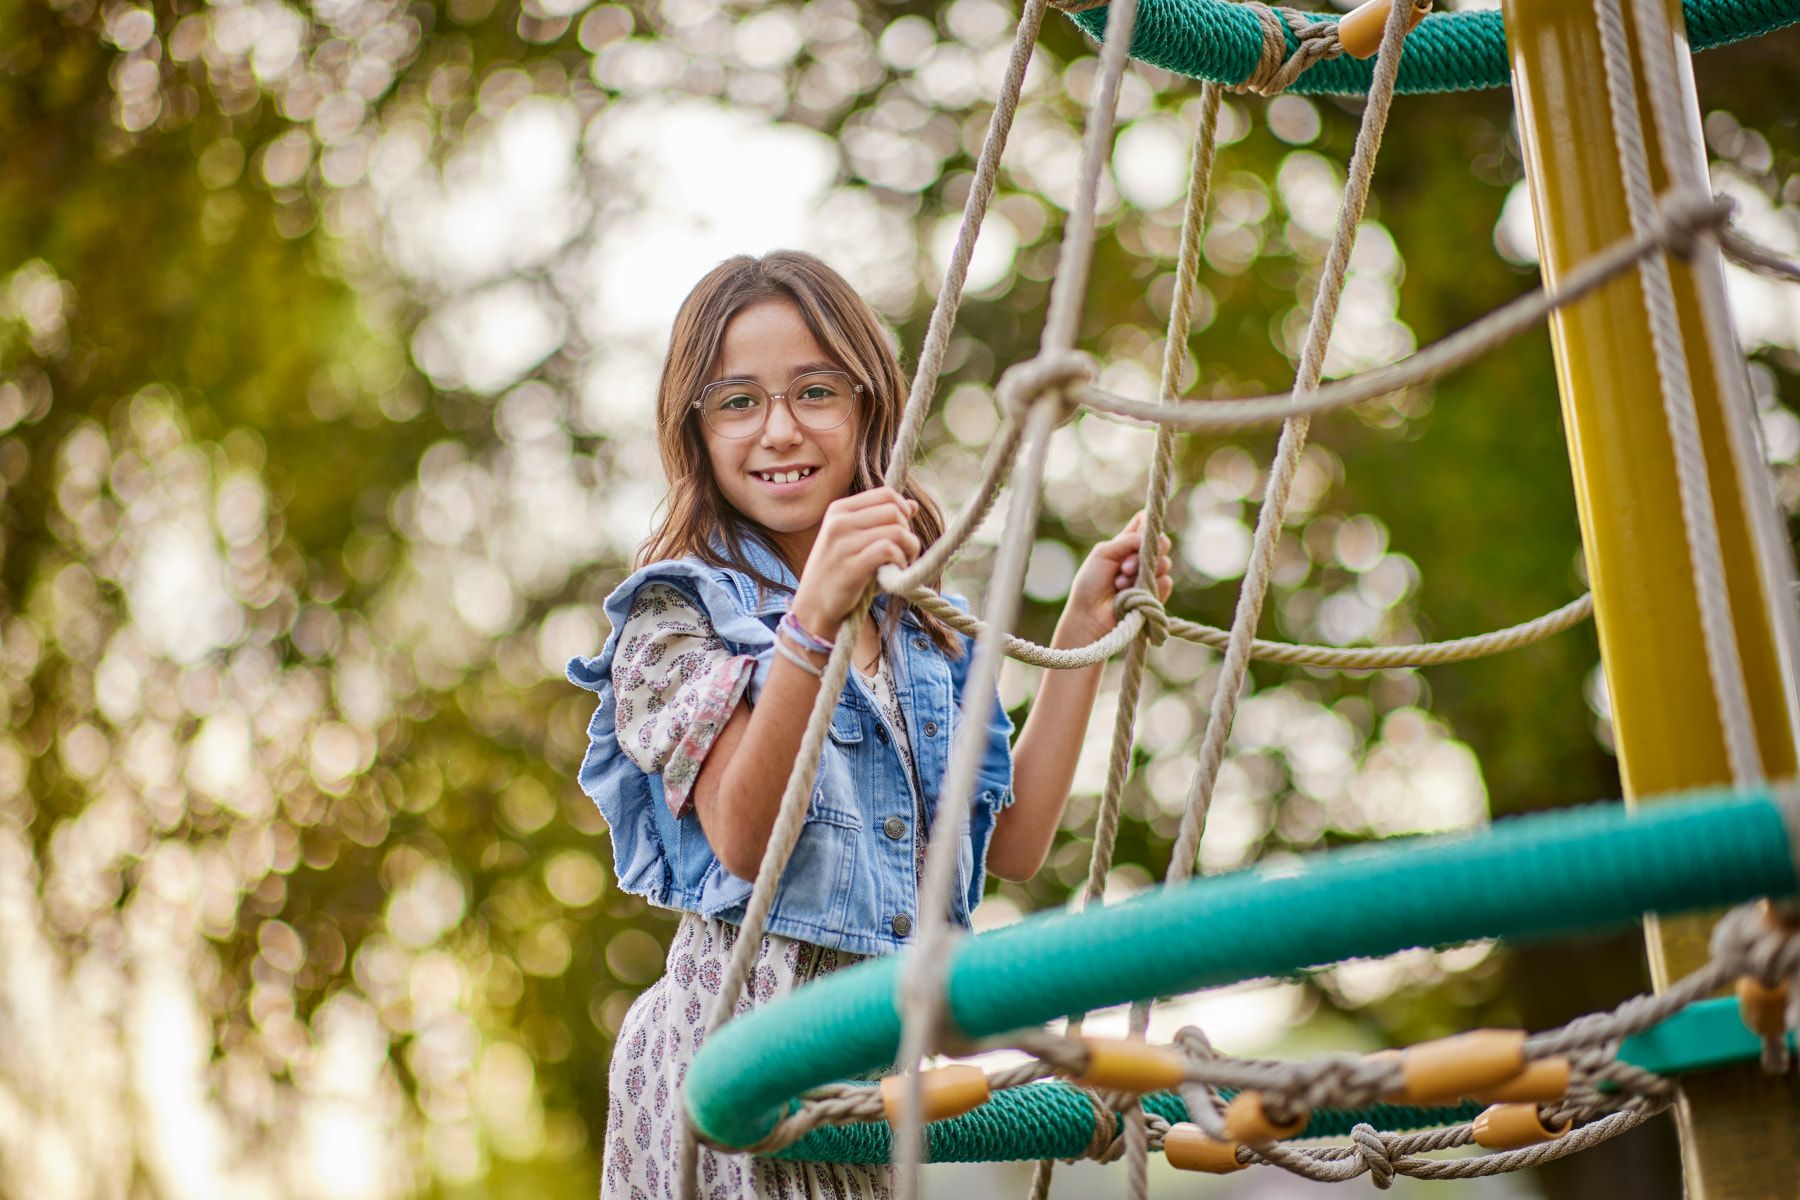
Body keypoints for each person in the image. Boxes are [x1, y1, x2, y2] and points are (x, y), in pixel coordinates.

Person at [566, 250, 1174, 1200]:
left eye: (815, 391)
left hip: (869, 1082)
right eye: (736, 401)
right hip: (733, 1065)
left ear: (866, 408)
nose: (778, 429)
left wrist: (1081, 632)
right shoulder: (675, 618)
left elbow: (1011, 845)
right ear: (695, 428)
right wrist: (810, 622)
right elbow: (743, 838)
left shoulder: (922, 628)